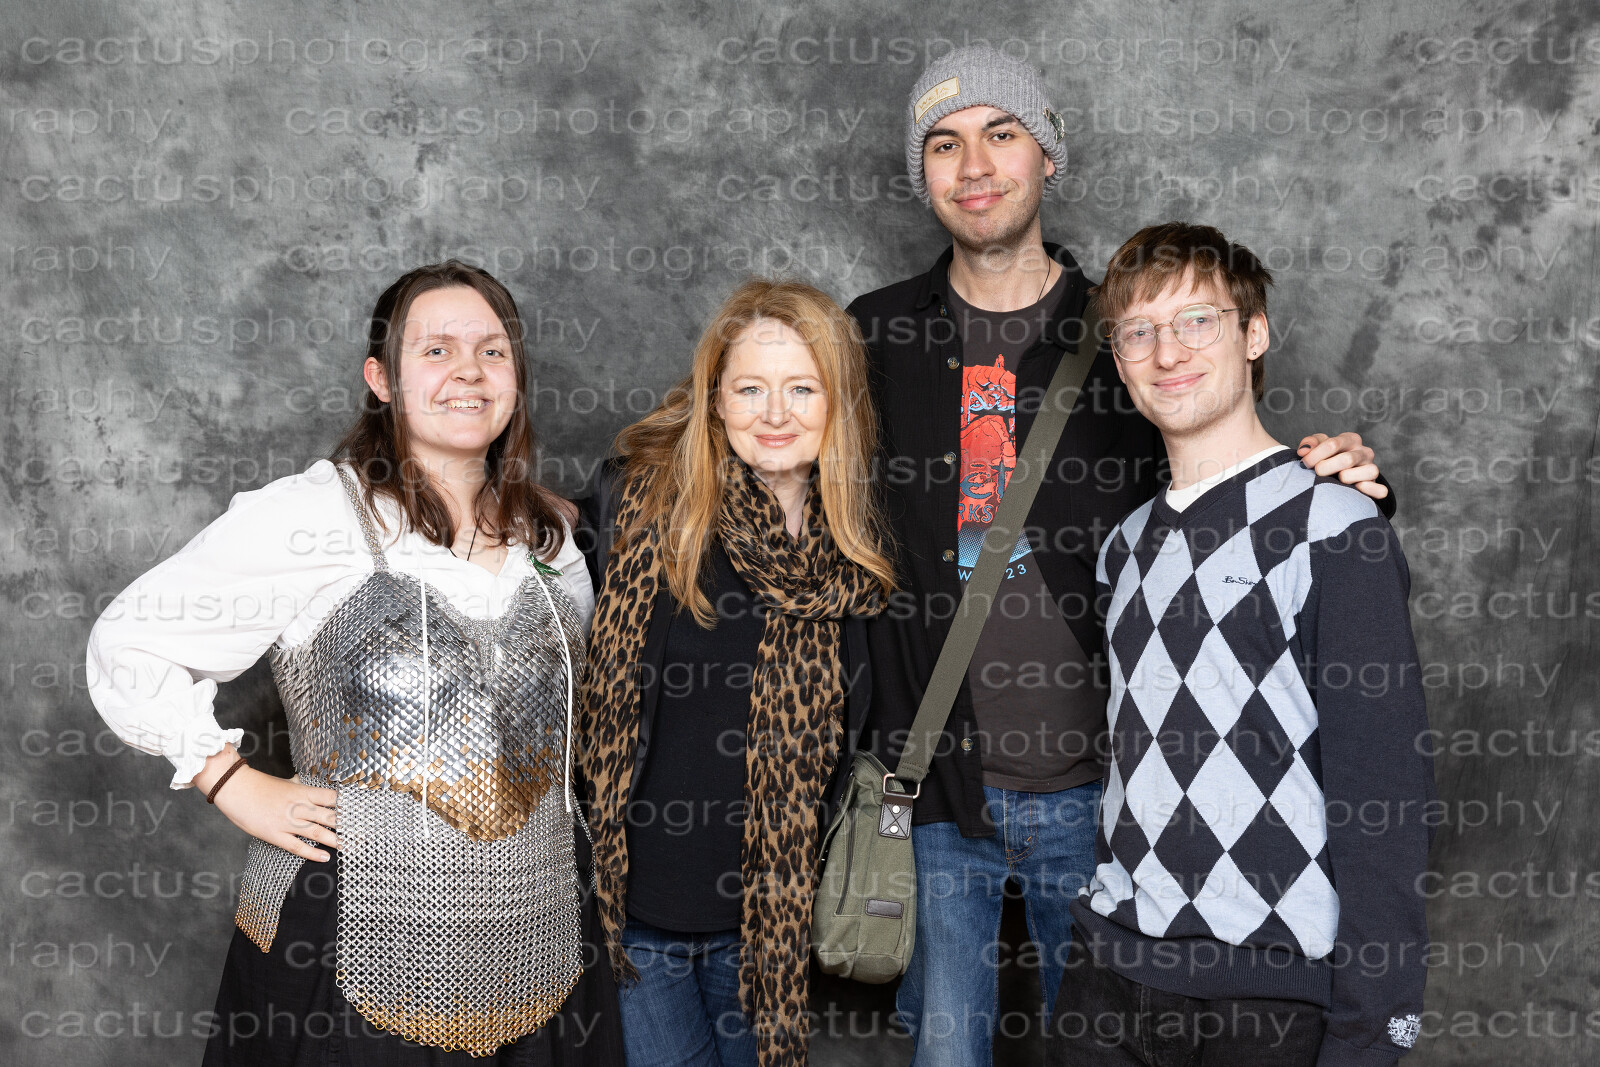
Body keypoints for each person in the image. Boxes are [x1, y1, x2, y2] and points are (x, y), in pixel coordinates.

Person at [843, 43, 1398, 1065]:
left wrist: (1345, 482)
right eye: (944, 143)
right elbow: (778, 466)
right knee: (944, 1050)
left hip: (1109, 793)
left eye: (1002, 133)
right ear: (921, 173)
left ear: (1048, 154)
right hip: (934, 788)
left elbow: (1218, 478)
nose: (975, 164)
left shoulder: (1126, 332)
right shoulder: (872, 335)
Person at [84, 260, 622, 1065]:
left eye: (493, 351)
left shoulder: (544, 535)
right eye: (436, 351)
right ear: (382, 379)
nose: (469, 372)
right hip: (348, 931)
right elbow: (128, 642)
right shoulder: (316, 516)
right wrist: (230, 781)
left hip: (539, 933)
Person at [1047, 221, 1433, 1065]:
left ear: (1254, 334)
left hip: (1267, 997)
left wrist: (1375, 1024)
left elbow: (1385, 796)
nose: (1167, 352)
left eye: (1198, 321)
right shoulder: (1123, 547)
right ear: (1119, 360)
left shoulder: (1338, 524)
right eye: (1138, 331)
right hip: (1107, 977)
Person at [576, 277, 895, 1067]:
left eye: (802, 388)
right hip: (636, 922)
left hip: (770, 929)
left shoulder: (856, 550)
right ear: (715, 400)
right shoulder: (638, 505)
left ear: (839, 401)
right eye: (750, 388)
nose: (775, 412)